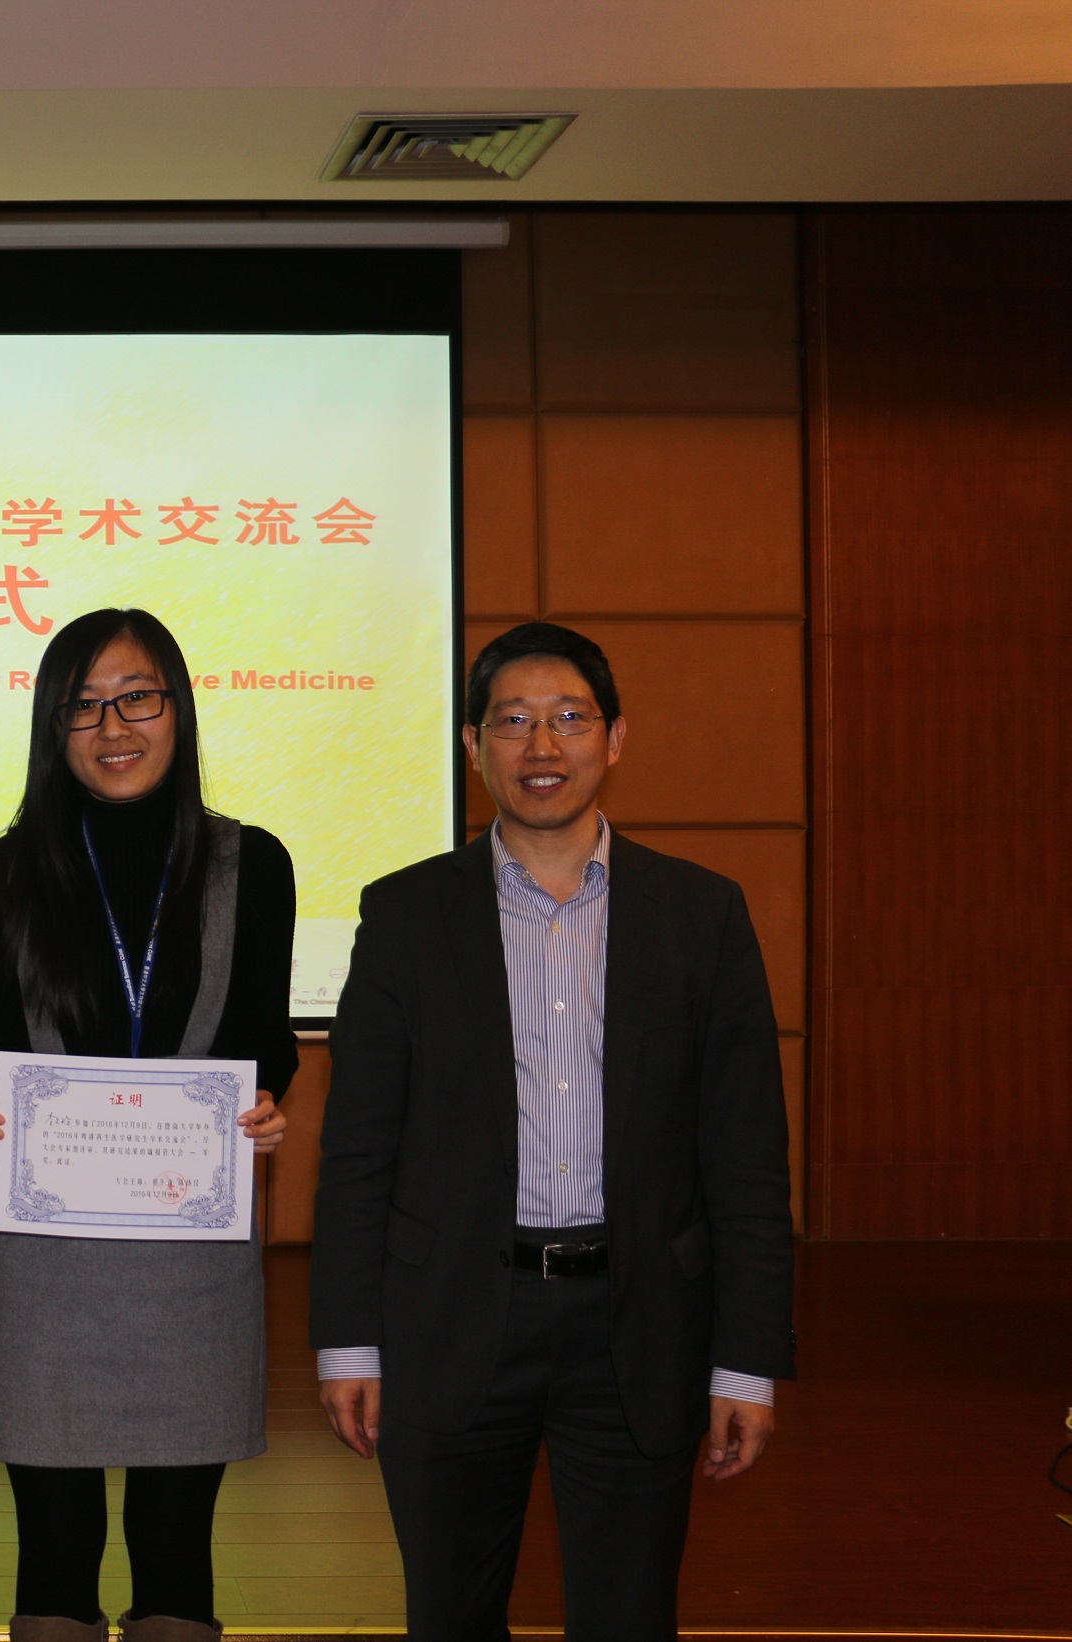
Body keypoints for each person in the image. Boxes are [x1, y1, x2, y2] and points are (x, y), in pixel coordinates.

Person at [310, 621, 794, 1641]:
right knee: (450, 1615)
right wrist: (349, 1342)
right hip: (450, 1320)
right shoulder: (404, 916)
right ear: (473, 745)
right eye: (515, 721)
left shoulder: (702, 915)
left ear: (614, 739)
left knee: (628, 1619)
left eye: (570, 719)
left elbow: (745, 1160)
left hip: (642, 1321)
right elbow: (358, 1146)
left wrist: (746, 1361)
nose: (543, 747)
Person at [0, 608, 298, 1642]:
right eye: (83, 705)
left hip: (191, 1247)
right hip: (49, 1252)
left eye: (137, 696)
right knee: (51, 1555)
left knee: (176, 1554)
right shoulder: (12, 868)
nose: (114, 725)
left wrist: (266, 1104)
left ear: (178, 709)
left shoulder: (255, 862)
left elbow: (265, 1037)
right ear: (53, 729)